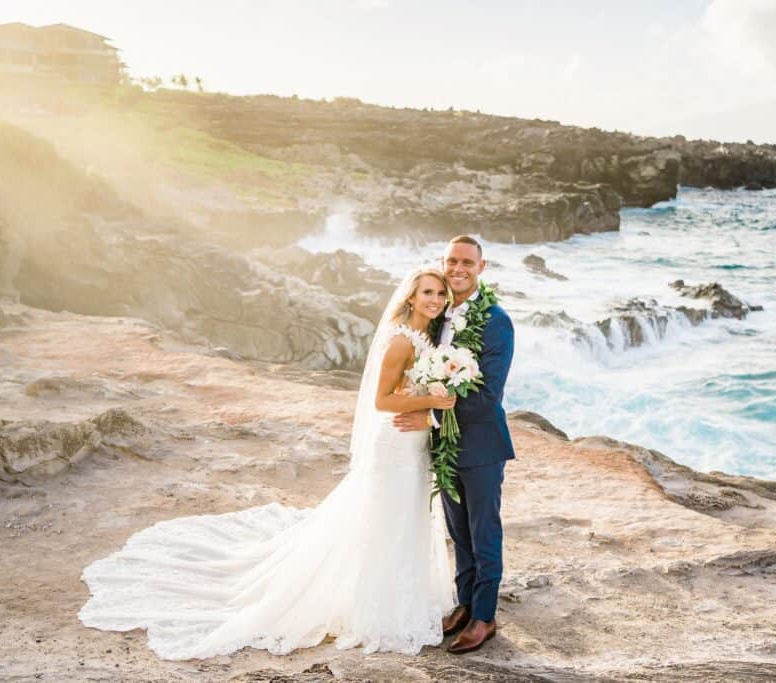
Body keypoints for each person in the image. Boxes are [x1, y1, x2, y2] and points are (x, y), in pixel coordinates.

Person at [78, 269, 456, 660]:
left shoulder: (428, 338)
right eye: (427, 292)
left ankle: (401, 596)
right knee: (382, 522)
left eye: (440, 293)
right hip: (393, 446)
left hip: (414, 445)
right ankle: (375, 609)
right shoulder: (399, 341)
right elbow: (382, 401)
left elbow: (411, 391)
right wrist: (433, 403)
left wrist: (430, 406)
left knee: (403, 520)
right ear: (411, 297)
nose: (434, 298)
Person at [394, 235, 515, 654]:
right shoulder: (438, 313)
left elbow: (488, 395)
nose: (458, 269)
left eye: (467, 262)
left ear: (481, 267)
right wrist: (425, 409)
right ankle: (464, 604)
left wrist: (426, 411)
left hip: (481, 446)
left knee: (484, 533)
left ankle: (485, 617)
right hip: (444, 446)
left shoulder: (497, 321)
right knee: (458, 532)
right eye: (451, 262)